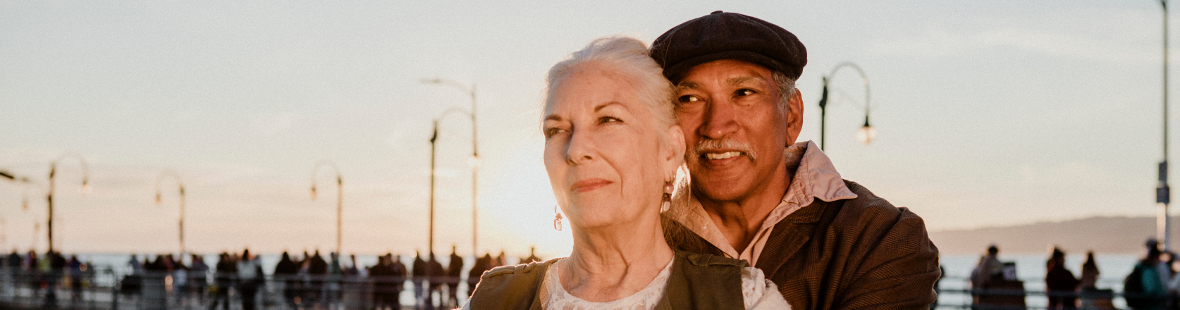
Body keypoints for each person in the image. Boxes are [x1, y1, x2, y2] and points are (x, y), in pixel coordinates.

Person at [465, 36, 788, 310]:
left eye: (608, 120)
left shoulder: (741, 298)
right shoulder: (496, 299)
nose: (575, 150)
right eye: (556, 130)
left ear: (669, 150)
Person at [649, 11, 941, 310]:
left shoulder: (879, 237)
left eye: (744, 93)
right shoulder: (639, 234)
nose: (716, 126)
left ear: (791, 116)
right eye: (689, 99)